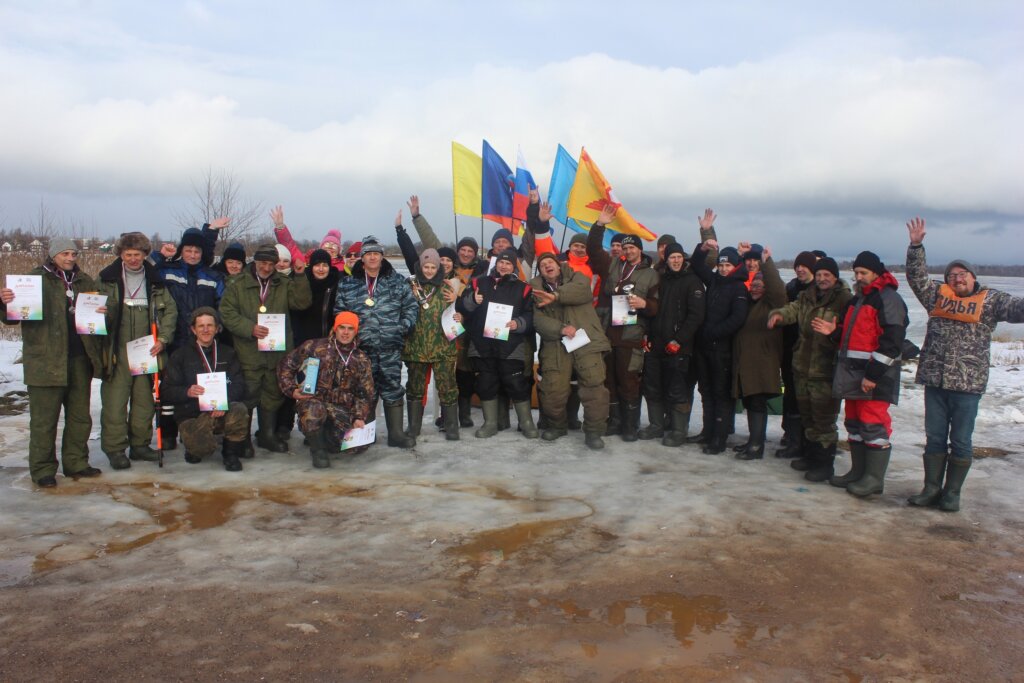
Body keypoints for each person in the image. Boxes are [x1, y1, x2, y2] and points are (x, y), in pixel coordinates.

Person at [904, 217, 1024, 511]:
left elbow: (1019, 309)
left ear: (972, 277)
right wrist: (916, 246)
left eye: (963, 274)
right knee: (934, 438)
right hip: (935, 381)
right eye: (952, 275)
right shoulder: (936, 297)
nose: (957, 279)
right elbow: (916, 277)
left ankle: (952, 493)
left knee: (960, 440)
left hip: (968, 385)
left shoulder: (991, 301)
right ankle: (931, 488)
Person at [1, 239, 105, 487]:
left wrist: (102, 312)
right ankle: (43, 469)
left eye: (73, 253)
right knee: (44, 420)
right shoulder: (34, 280)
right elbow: (12, 321)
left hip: (79, 358)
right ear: (53, 254)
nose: (70, 258)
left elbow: (96, 312)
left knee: (80, 417)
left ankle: (76, 463)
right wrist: (6, 303)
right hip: (45, 361)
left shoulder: (84, 281)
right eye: (65, 253)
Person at [813, 251, 908, 496]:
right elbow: (849, 338)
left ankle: (873, 479)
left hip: (875, 378)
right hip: (853, 375)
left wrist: (873, 375)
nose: (859, 277)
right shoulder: (857, 300)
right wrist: (833, 333)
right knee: (854, 424)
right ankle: (858, 473)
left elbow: (892, 343)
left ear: (876, 272)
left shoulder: (888, 299)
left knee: (873, 425)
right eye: (856, 273)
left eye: (863, 273)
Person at [219, 243, 312, 454]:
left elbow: (301, 302)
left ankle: (267, 435)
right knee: (248, 393)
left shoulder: (283, 283)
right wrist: (249, 328)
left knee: (272, 392)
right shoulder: (238, 284)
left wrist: (299, 276)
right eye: (263, 263)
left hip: (277, 352)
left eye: (272, 263)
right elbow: (226, 313)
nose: (267, 268)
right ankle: (242, 439)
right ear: (255, 261)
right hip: (248, 350)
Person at [96, 232, 178, 470]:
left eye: (137, 254)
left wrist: (163, 339)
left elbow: (170, 312)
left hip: (146, 348)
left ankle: (140, 446)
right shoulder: (106, 279)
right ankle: (115, 449)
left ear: (145, 255)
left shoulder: (156, 280)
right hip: (117, 348)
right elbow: (90, 308)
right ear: (121, 255)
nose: (133, 259)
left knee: (143, 401)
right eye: (128, 254)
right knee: (115, 402)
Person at [768, 257, 852, 480]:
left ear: (835, 277)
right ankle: (810, 456)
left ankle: (824, 465)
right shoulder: (807, 295)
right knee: (807, 417)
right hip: (802, 367)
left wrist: (834, 332)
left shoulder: (845, 300)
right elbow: (793, 309)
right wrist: (778, 315)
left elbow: (852, 333)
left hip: (825, 370)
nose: (823, 279)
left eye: (827, 275)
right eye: (820, 275)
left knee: (823, 420)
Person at [334, 236, 419, 448]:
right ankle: (365, 435)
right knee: (363, 391)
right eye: (368, 254)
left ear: (382, 256)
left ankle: (396, 434)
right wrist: (348, 337)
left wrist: (402, 327)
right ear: (362, 258)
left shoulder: (397, 280)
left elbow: (411, 307)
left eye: (376, 253)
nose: (372, 257)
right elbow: (340, 312)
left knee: (392, 388)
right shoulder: (348, 283)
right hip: (360, 351)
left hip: (390, 346)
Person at [586, 205, 660, 441]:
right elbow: (593, 251)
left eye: (631, 247)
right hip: (609, 332)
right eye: (625, 248)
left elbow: (657, 306)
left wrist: (644, 304)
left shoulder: (650, 274)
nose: (627, 251)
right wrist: (599, 225)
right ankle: (614, 421)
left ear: (639, 250)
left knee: (628, 381)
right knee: (610, 380)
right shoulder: (613, 265)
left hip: (631, 336)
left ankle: (630, 425)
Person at [152, 227, 226, 450]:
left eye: (197, 251)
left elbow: (222, 304)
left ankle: (191, 429)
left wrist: (216, 329)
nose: (193, 255)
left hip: (202, 340)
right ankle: (167, 432)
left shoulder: (212, 276)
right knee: (171, 386)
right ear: (181, 250)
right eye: (189, 250)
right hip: (174, 339)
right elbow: (148, 272)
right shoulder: (169, 270)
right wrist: (159, 256)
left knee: (198, 387)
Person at [530, 252, 611, 449]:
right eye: (543, 265)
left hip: (585, 340)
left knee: (594, 388)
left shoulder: (578, 277)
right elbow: (537, 319)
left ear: (559, 266)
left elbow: (584, 292)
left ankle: (594, 432)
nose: (547, 266)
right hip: (556, 343)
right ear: (540, 272)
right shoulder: (535, 288)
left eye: (551, 262)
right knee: (552, 390)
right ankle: (557, 426)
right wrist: (560, 329)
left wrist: (556, 296)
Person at [457, 249, 538, 438]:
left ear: (513, 267)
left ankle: (526, 422)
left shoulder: (523, 288)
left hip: (510, 345)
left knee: (516, 383)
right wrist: (472, 300)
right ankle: (490, 423)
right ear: (496, 264)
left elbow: (530, 314)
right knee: (486, 384)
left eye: (508, 263)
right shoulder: (478, 282)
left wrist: (518, 323)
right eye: (501, 262)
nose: (504, 266)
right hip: (481, 343)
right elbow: (462, 308)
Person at [278, 312, 375, 467]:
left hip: (341, 408)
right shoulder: (314, 347)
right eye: (342, 327)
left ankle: (321, 436)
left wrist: (359, 417)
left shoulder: (361, 359)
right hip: (314, 401)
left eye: (350, 329)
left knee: (356, 446)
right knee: (313, 412)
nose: (345, 332)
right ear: (335, 329)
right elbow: (286, 365)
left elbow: (365, 394)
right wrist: (291, 389)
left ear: (356, 331)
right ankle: (318, 450)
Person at [161, 307, 249, 471]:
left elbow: (238, 384)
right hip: (192, 413)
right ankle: (193, 446)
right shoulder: (180, 355)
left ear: (217, 328)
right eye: (201, 326)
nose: (206, 330)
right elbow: (166, 391)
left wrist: (224, 403)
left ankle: (230, 453)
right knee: (201, 450)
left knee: (240, 410)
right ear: (193, 329)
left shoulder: (228, 353)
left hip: (222, 409)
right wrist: (187, 391)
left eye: (210, 325)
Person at [689, 225, 750, 454]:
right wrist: (703, 248)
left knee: (721, 394)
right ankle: (708, 431)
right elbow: (696, 265)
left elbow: (737, 319)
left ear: (735, 267)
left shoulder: (738, 289)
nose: (723, 269)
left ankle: (719, 437)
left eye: (727, 265)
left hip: (722, 350)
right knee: (705, 391)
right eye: (721, 265)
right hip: (704, 348)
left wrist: (710, 332)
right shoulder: (714, 281)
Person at [636, 243, 705, 446]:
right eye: (671, 257)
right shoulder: (661, 280)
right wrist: (647, 334)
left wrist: (679, 339)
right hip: (656, 343)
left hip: (679, 346)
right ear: (666, 260)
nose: (675, 260)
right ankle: (657, 426)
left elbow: (696, 316)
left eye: (678, 256)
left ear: (683, 259)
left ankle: (678, 430)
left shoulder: (693, 282)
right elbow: (652, 309)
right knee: (653, 387)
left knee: (677, 389)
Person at [730, 247, 786, 459]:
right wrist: (738, 257)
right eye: (753, 285)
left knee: (757, 403)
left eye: (759, 286)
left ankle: (756, 446)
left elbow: (778, 289)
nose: (754, 289)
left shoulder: (773, 304)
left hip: (762, 362)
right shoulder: (748, 304)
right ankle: (753, 441)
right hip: (746, 363)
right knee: (751, 402)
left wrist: (766, 262)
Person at [402, 249, 460, 440]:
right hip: (416, 348)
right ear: (420, 266)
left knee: (448, 388)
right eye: (426, 266)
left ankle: (451, 427)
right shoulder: (410, 286)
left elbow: (456, 312)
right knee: (414, 388)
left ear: (438, 268)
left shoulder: (447, 288)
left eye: (433, 267)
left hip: (442, 347)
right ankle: (413, 428)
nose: (429, 270)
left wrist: (459, 310)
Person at [776, 250, 820, 458]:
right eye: (798, 266)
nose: (800, 269)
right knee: (790, 395)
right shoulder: (791, 287)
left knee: (806, 398)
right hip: (789, 350)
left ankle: (806, 441)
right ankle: (791, 437)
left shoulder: (819, 289)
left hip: (811, 353)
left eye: (805, 266)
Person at [271, 205, 345, 270]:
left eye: (334, 246)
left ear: (339, 250)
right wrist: (280, 227)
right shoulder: (307, 260)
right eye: (327, 244)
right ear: (321, 247)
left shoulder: (344, 267)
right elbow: (291, 248)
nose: (330, 248)